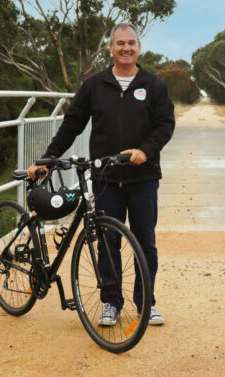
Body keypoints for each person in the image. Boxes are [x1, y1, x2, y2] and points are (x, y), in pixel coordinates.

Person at [30, 23, 175, 327]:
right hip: (106, 177)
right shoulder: (95, 85)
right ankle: (111, 302)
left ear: (139, 47)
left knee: (144, 242)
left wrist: (146, 150)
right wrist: (47, 159)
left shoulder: (154, 85)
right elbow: (72, 125)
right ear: (111, 47)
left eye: (131, 43)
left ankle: (145, 303)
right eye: (120, 43)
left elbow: (165, 125)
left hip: (144, 177)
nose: (126, 48)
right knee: (107, 239)